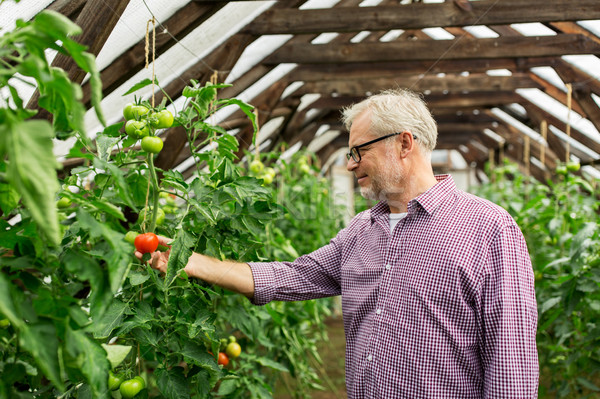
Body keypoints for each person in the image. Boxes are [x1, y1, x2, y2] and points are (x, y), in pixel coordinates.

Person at [138, 88, 539, 398]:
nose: (349, 164)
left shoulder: (489, 229)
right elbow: (290, 277)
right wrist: (188, 261)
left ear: (404, 143)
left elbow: (512, 364)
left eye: (358, 151)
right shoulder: (360, 231)